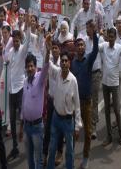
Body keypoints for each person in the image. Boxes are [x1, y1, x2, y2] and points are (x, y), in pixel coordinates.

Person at [46, 40, 82, 169]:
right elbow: (48, 63)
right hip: (56, 118)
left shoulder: (73, 81)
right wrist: (47, 48)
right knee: (52, 148)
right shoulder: (57, 73)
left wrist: (77, 126)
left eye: (66, 61)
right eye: (62, 61)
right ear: (60, 63)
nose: (64, 63)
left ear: (69, 63)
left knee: (70, 151)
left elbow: (77, 105)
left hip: (68, 121)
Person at [71, 28, 99, 169]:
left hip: (87, 102)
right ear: (76, 48)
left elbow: (95, 50)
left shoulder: (89, 60)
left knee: (88, 132)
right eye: (78, 45)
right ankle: (70, 157)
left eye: (82, 45)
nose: (80, 47)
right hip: (75, 103)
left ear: (84, 47)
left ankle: (85, 158)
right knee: (73, 132)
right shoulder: (73, 63)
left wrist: (94, 34)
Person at [6, 17, 31, 162]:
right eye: (13, 41)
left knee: (24, 118)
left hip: (21, 88)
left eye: (17, 41)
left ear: (19, 40)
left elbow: (27, 42)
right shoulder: (10, 52)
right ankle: (15, 147)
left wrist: (26, 27)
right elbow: (4, 59)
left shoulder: (22, 50)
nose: (15, 43)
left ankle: (28, 145)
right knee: (12, 119)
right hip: (11, 90)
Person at [99, 27, 121, 146]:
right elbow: (96, 48)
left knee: (117, 110)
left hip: (115, 84)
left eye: (112, 37)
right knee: (107, 110)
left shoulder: (119, 48)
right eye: (109, 37)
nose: (110, 39)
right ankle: (109, 136)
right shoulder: (104, 46)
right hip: (105, 83)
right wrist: (99, 35)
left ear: (115, 37)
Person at [19, 53, 49, 169]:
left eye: (32, 66)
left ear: (35, 67)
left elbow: (46, 66)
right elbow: (23, 103)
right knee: (29, 158)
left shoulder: (40, 78)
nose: (30, 68)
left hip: (37, 127)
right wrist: (21, 127)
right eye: (28, 66)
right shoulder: (25, 81)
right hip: (27, 127)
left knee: (39, 159)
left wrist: (48, 51)